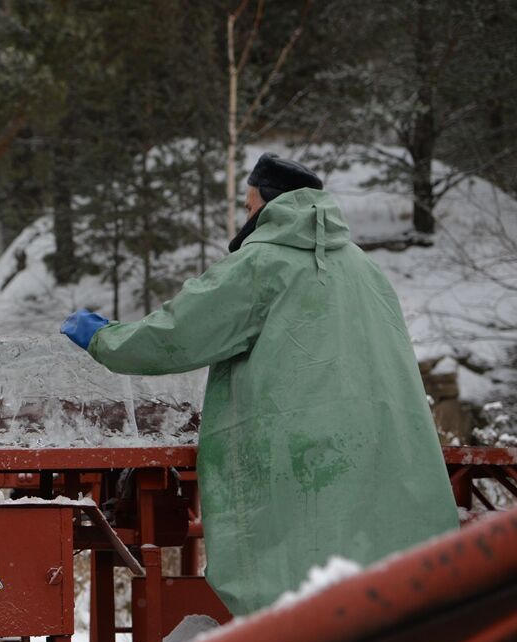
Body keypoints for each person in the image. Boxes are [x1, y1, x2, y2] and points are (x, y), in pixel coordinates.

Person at [60, 153, 457, 616]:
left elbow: (180, 332)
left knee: (295, 586)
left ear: (271, 206)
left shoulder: (262, 264)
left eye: (250, 209)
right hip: (378, 450)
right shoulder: (365, 269)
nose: (247, 219)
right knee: (366, 580)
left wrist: (106, 338)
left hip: (299, 460)